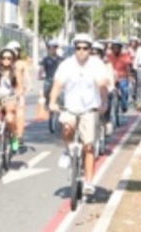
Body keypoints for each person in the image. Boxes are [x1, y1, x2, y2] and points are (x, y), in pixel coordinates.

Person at [49, 33, 108, 196]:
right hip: (70, 107)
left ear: (90, 49)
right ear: (74, 49)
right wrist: (52, 102)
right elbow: (57, 84)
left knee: (89, 147)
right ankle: (68, 151)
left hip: (90, 109)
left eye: (85, 48)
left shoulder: (97, 65)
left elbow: (102, 85)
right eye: (78, 48)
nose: (81, 51)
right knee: (67, 128)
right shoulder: (66, 65)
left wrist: (104, 102)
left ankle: (88, 182)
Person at [5, 40, 30, 149]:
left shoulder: (21, 64)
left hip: (18, 93)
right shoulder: (3, 62)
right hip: (4, 93)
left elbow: (27, 77)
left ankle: (19, 135)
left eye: (17, 50)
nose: (15, 52)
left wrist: (28, 86)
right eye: (12, 50)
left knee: (20, 113)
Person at [92, 41, 116, 135]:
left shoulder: (106, 64)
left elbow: (110, 77)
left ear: (101, 54)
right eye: (92, 53)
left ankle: (106, 121)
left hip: (103, 91)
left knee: (105, 110)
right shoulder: (85, 64)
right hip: (90, 93)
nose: (94, 55)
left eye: (97, 53)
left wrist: (111, 87)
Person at [39, 39, 64, 119]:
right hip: (49, 79)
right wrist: (40, 75)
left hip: (59, 80)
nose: (53, 49)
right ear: (48, 48)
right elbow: (42, 69)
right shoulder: (46, 59)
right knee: (46, 89)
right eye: (51, 47)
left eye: (55, 47)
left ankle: (62, 107)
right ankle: (47, 103)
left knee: (62, 94)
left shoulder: (61, 59)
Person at [107, 39, 132, 113]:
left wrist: (130, 75)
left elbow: (128, 66)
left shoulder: (125, 56)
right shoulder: (109, 57)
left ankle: (124, 105)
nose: (115, 49)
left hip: (122, 78)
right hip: (111, 79)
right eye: (114, 47)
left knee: (124, 90)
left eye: (117, 47)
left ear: (120, 48)